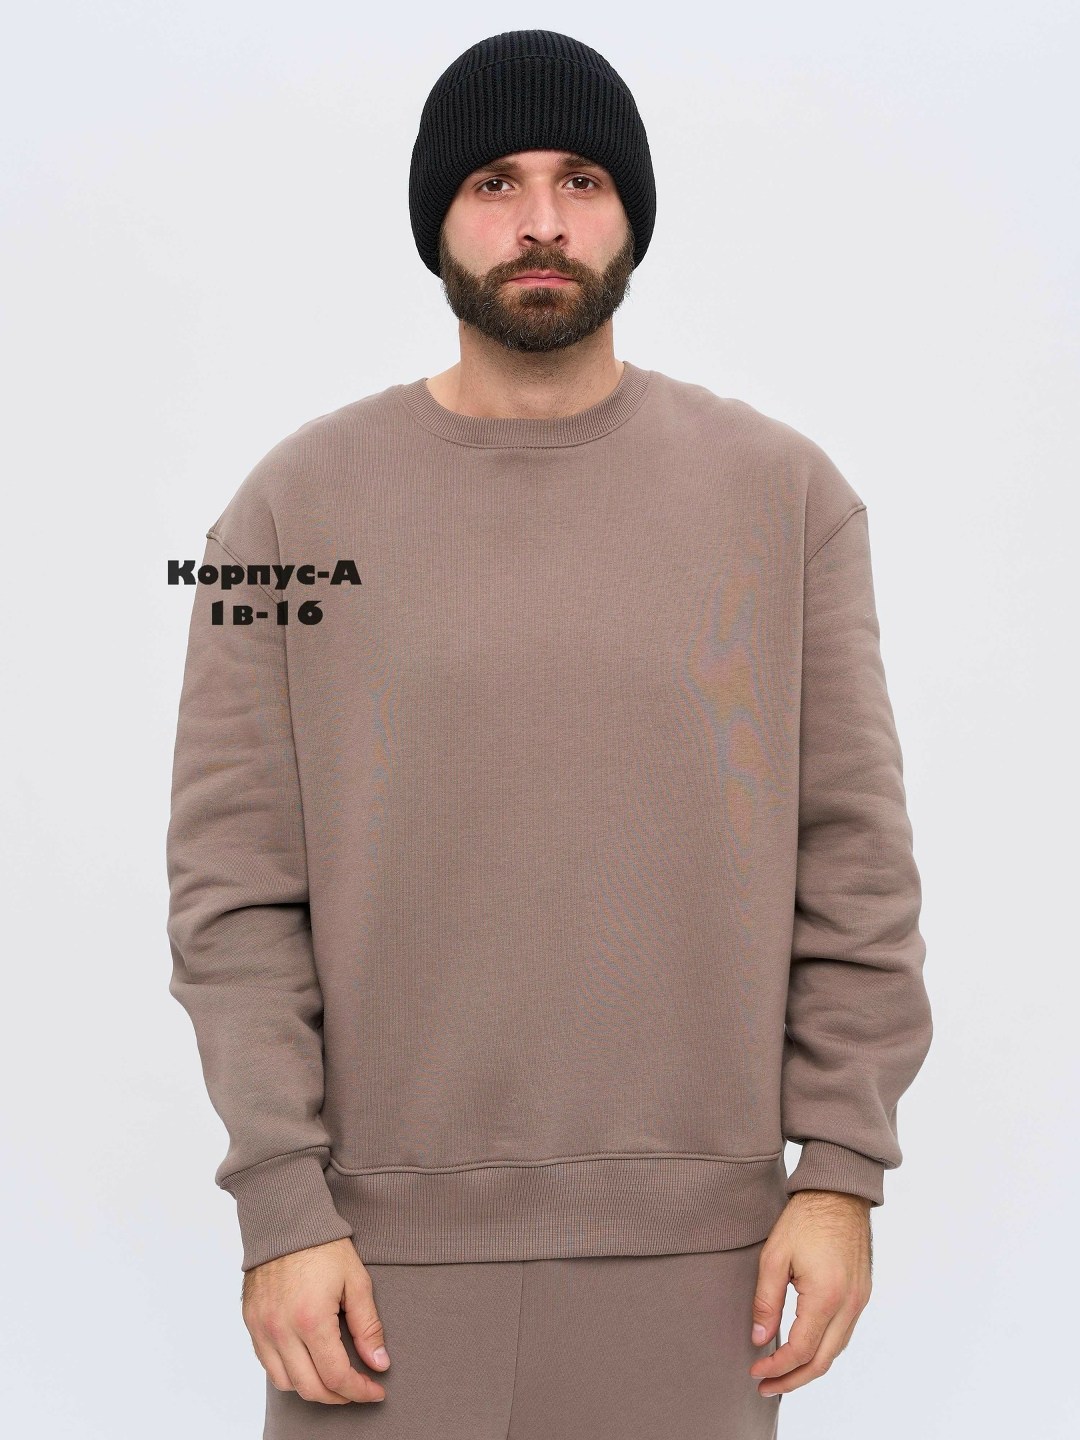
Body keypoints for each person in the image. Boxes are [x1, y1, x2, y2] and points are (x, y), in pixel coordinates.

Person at [165, 28, 933, 1439]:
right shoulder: (286, 515)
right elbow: (233, 891)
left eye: (581, 180)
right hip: (368, 1269)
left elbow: (854, 862)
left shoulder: (786, 499)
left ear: (631, 213)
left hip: (704, 1265)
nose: (540, 222)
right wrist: (280, 1205)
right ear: (436, 221)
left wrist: (839, 1173)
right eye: (493, 184)